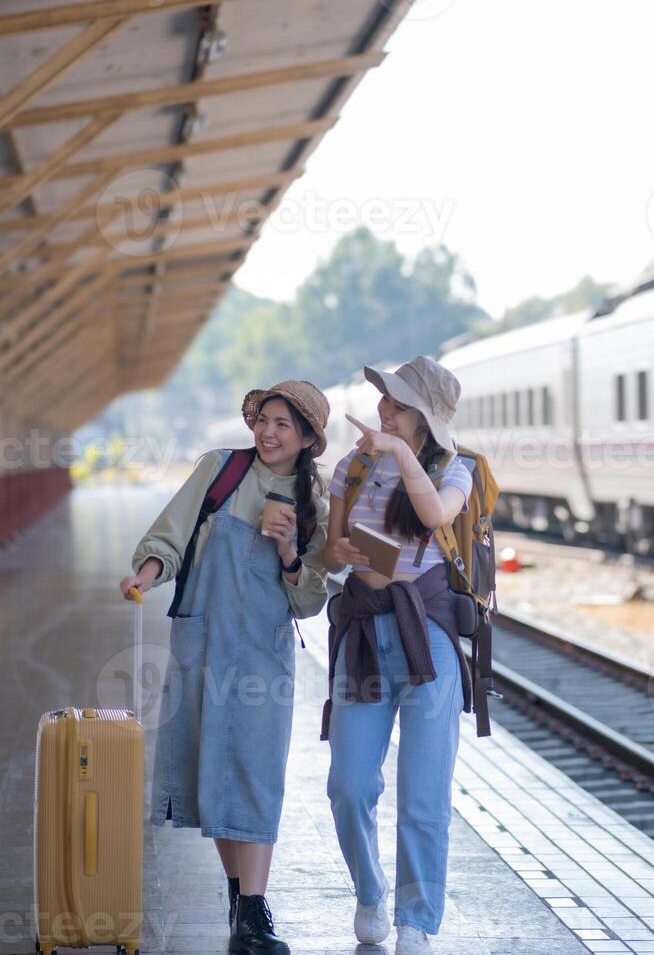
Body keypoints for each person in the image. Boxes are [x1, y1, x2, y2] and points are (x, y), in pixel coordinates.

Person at [119, 380, 330, 955]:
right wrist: (147, 572)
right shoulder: (221, 469)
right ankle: (240, 897)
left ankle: (255, 908)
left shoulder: (317, 501)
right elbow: (172, 532)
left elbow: (311, 600)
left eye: (285, 424)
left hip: (263, 653)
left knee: (257, 771)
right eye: (265, 419)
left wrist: (289, 553)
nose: (269, 432)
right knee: (210, 767)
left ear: (308, 438)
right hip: (205, 643)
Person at [322, 356, 474, 955]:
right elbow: (329, 555)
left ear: (423, 419)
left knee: (423, 793)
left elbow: (435, 516)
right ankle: (370, 892)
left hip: (428, 637)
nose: (383, 406)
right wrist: (342, 553)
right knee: (349, 785)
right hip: (363, 636)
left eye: (396, 402)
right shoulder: (353, 467)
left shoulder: (455, 469)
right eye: (384, 397)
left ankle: (416, 920)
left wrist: (401, 454)